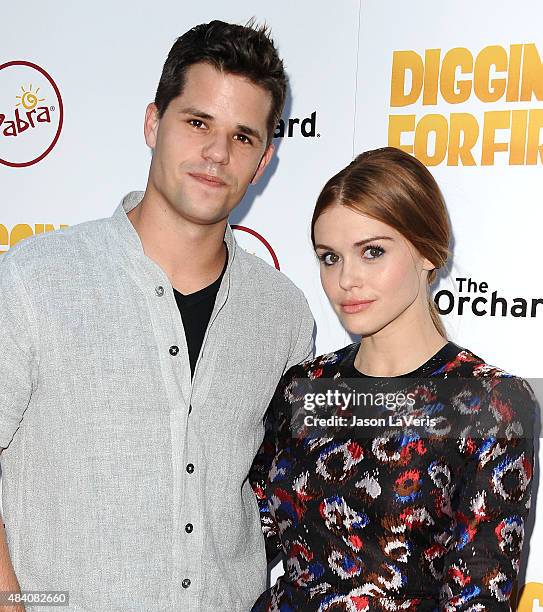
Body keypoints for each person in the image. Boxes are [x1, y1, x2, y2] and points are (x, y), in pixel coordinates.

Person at [0, 20, 314, 612]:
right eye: (197, 123)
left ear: (264, 160)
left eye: (243, 138)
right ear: (153, 124)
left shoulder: (283, 314)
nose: (217, 154)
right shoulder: (36, 279)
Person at [250, 147, 537, 611]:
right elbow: (246, 539)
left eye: (372, 252)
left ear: (426, 251)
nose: (346, 279)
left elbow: (479, 598)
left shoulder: (488, 401)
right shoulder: (305, 387)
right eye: (329, 257)